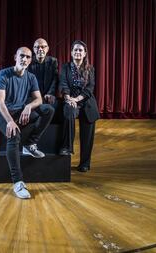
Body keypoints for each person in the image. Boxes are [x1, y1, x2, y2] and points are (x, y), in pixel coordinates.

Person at [0, 47, 54, 199]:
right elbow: (0, 101)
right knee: (13, 135)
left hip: (20, 110)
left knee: (48, 110)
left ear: (30, 60)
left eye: (27, 57)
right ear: (15, 57)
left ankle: (30, 144)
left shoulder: (31, 77)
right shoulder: (4, 74)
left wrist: (28, 106)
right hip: (2, 112)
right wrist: (10, 122)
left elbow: (39, 99)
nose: (24, 59)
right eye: (22, 56)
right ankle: (18, 182)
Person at [59, 40, 99, 172]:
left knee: (87, 134)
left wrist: (77, 99)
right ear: (71, 52)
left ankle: (85, 163)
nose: (77, 52)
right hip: (70, 100)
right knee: (69, 110)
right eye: (75, 50)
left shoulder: (90, 68)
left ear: (85, 53)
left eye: (80, 50)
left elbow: (90, 88)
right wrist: (68, 98)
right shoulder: (65, 67)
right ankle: (67, 147)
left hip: (86, 102)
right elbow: (63, 84)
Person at [28, 38, 58, 107]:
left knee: (55, 107)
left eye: (43, 47)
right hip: (33, 97)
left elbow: (55, 79)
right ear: (33, 49)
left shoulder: (53, 61)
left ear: (47, 49)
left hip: (48, 96)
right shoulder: (28, 61)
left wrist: (50, 93)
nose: (40, 49)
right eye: (37, 47)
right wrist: (37, 96)